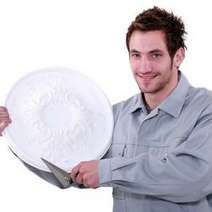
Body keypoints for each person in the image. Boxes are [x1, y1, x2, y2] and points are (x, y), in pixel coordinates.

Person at [1, 6, 212, 212]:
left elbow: (195, 177)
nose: (144, 67)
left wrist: (106, 170)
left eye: (155, 55)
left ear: (178, 56)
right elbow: (70, 172)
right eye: (136, 55)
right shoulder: (116, 115)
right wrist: (16, 134)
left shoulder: (205, 109)